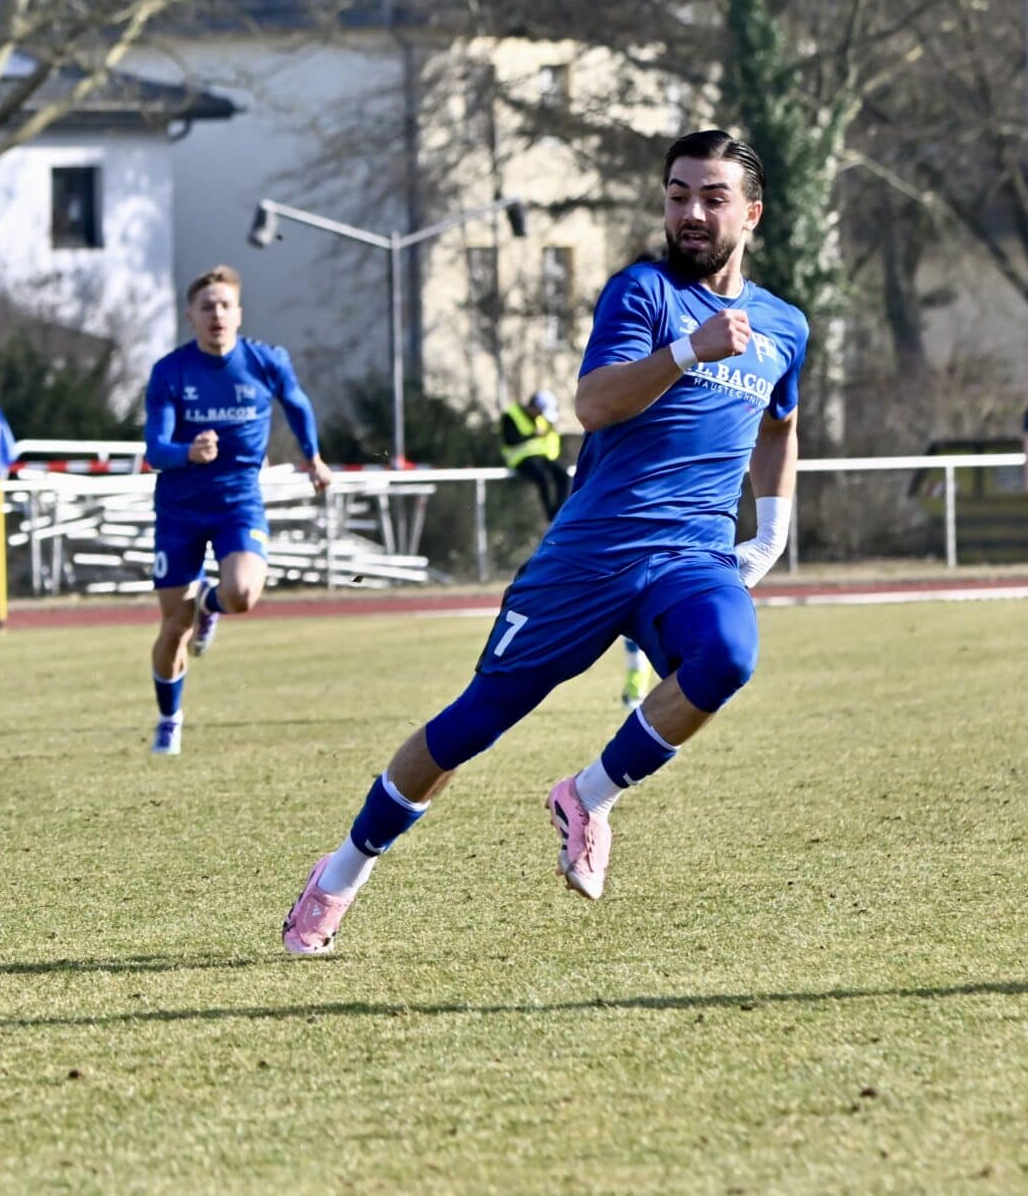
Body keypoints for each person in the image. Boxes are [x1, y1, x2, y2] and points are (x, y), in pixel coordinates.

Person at [282, 129, 805, 954]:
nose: (691, 213)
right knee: (471, 726)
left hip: (691, 557)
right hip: (590, 556)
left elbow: (781, 423)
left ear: (753, 213)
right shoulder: (643, 294)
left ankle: (588, 795)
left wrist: (769, 533)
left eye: (712, 197)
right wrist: (688, 350)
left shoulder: (784, 325)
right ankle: (341, 872)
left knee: (729, 656)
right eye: (677, 194)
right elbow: (594, 405)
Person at [142, 264, 332, 756]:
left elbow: (298, 405)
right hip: (181, 509)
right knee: (173, 628)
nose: (217, 314)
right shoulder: (171, 371)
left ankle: (212, 604)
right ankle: (170, 718)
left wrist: (311, 457)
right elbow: (154, 448)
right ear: (191, 316)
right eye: (206, 307)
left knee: (243, 593)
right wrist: (187, 452)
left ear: (239, 313)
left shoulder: (266, 362)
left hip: (238, 502)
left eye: (225, 305)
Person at [499, 392, 656, 707]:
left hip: (631, 537)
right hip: (591, 540)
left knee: (644, 610)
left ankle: (639, 680)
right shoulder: (599, 429)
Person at [500, 388, 568, 519]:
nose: (540, 415)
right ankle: (551, 515)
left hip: (541, 457)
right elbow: (510, 440)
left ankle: (559, 513)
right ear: (535, 406)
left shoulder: (540, 419)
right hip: (520, 459)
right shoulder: (511, 415)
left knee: (563, 475)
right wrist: (533, 435)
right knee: (543, 478)